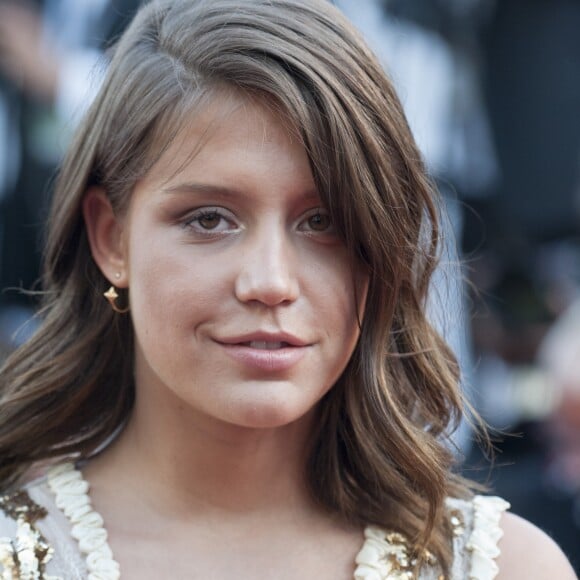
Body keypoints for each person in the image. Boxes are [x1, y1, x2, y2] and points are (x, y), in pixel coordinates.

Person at [0, 0, 575, 577]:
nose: (270, 283)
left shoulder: (501, 567)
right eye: (209, 219)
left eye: (323, 222)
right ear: (111, 238)